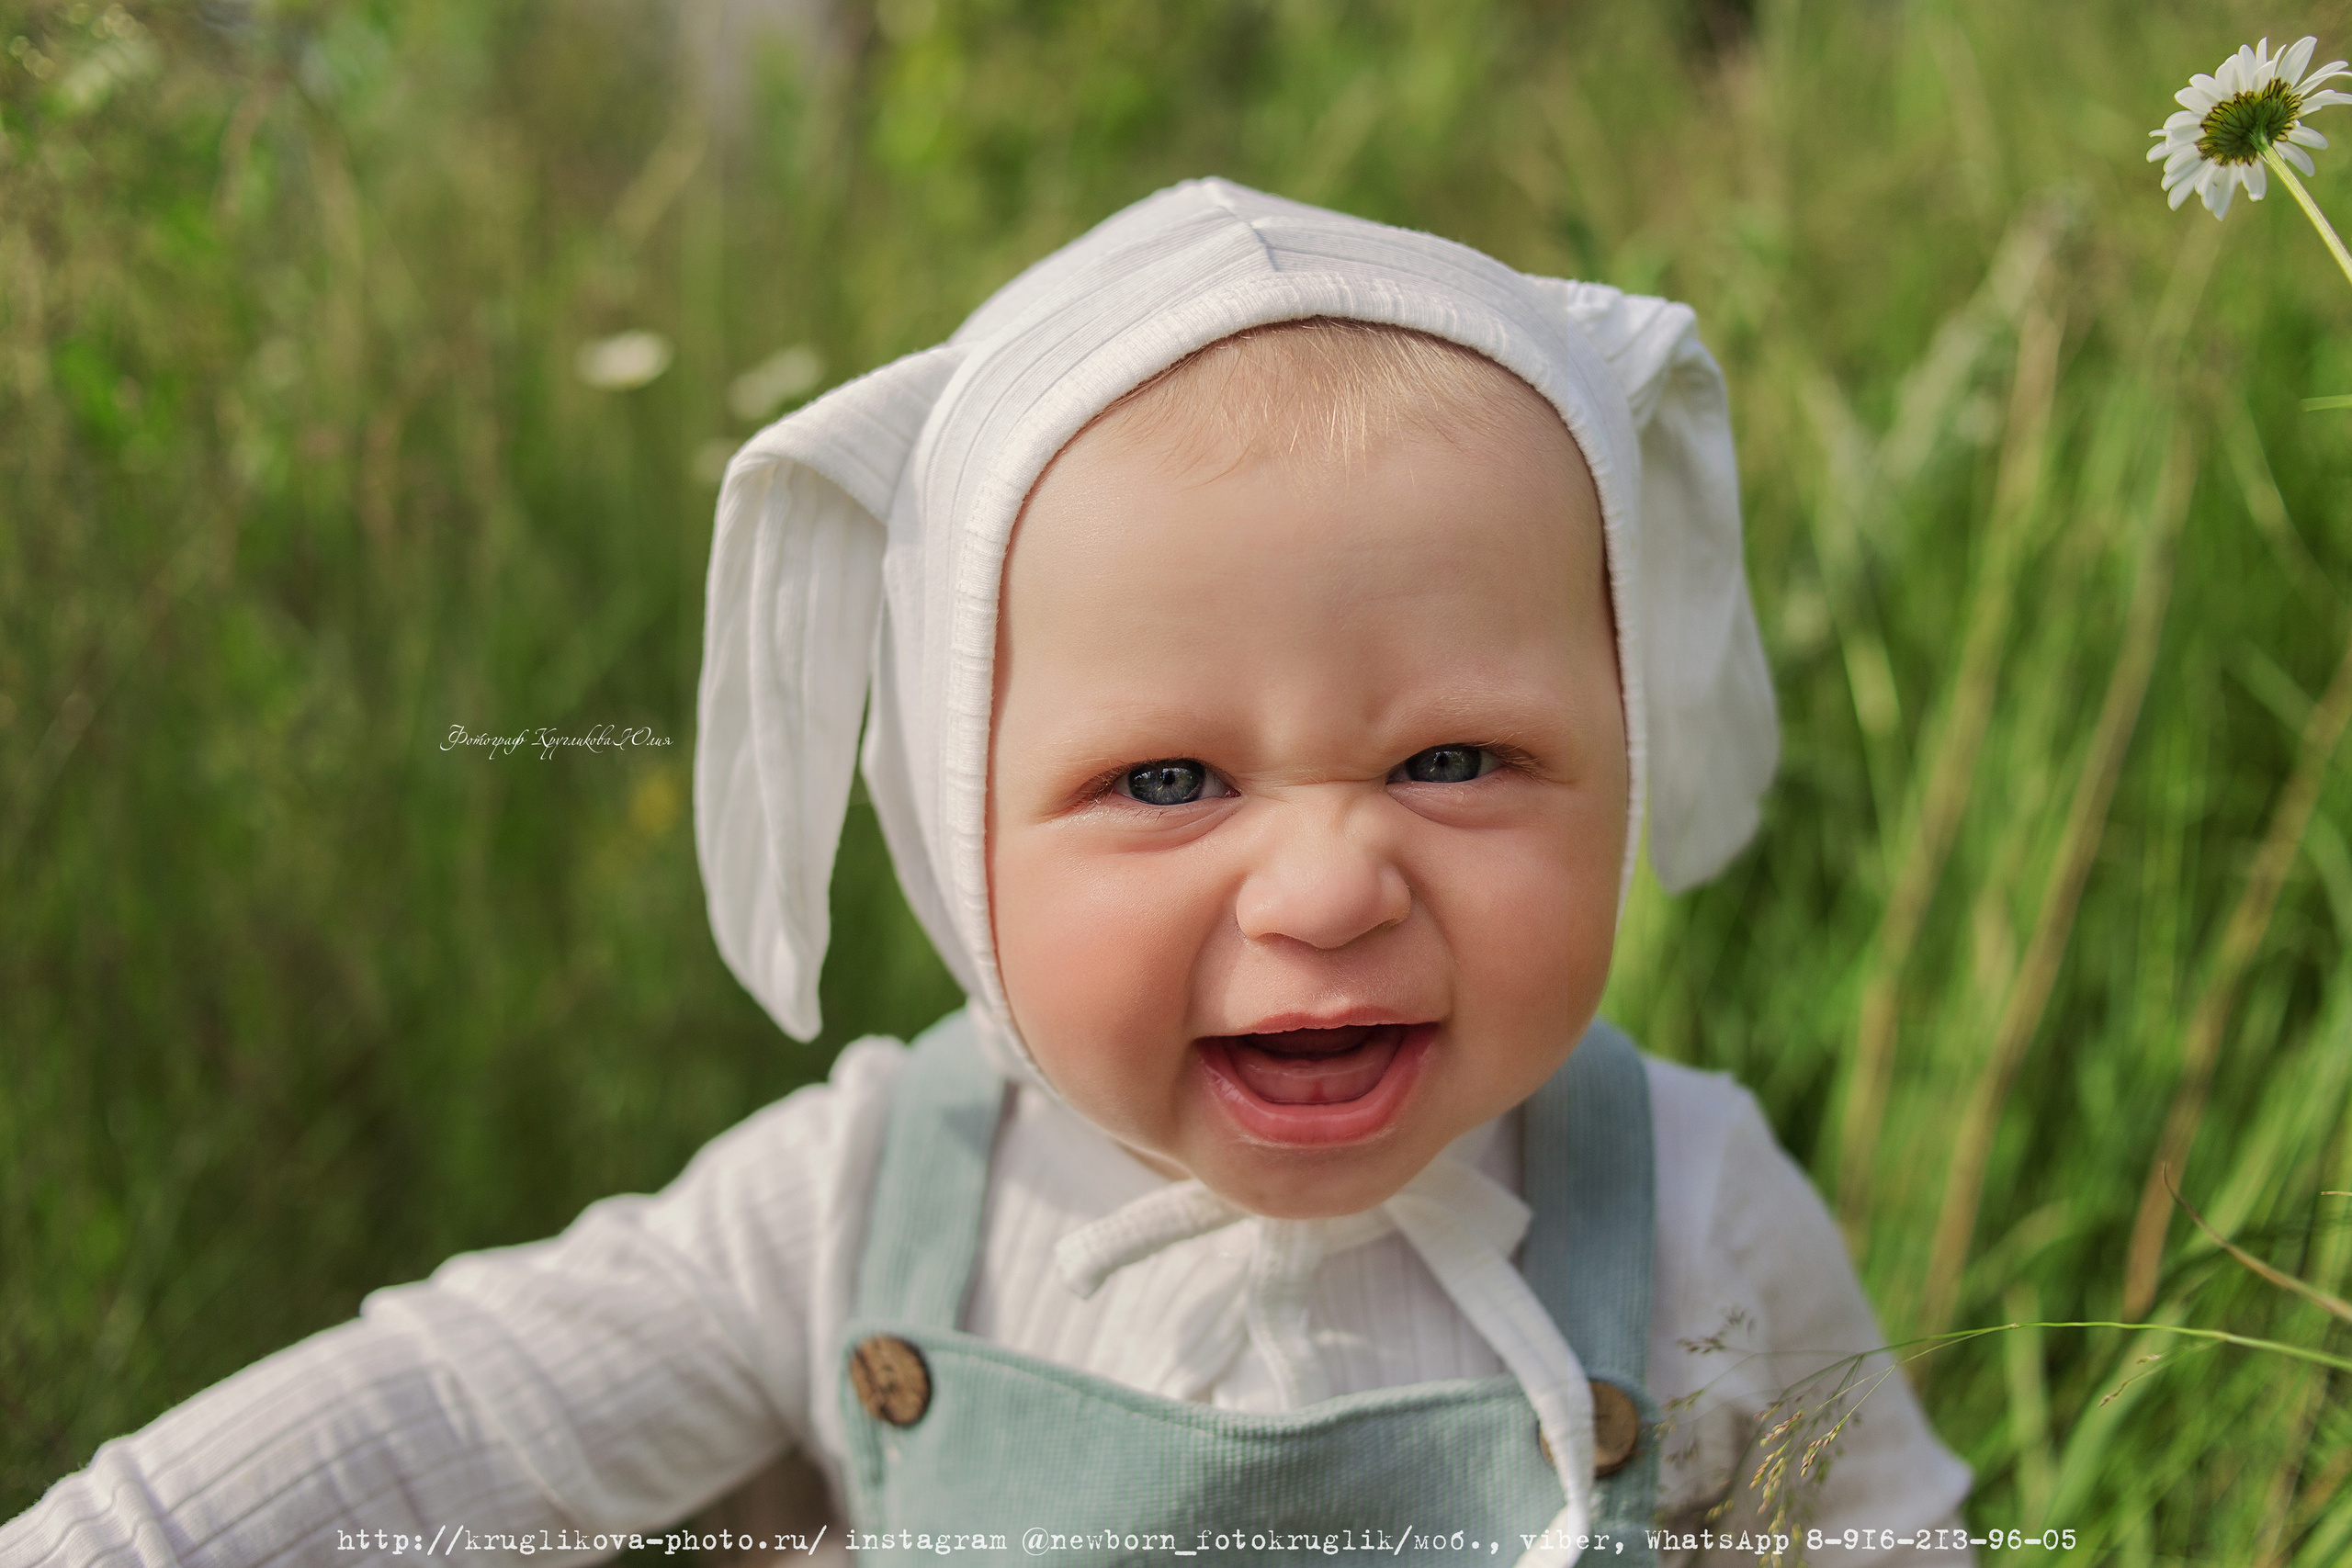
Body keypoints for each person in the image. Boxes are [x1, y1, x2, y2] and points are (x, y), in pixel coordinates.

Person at [3, 179, 1973, 1568]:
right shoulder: (869, 1202)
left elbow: (1876, 1531)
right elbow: (449, 1417)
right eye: (1166, 777)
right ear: (954, 827)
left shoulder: (1691, 1204)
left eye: (1454, 757)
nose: (1323, 883)